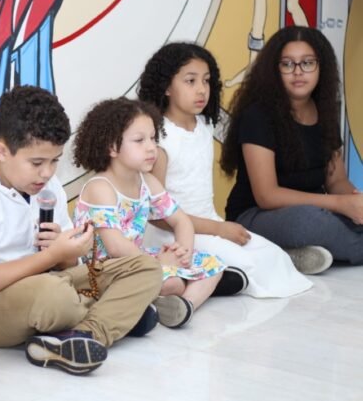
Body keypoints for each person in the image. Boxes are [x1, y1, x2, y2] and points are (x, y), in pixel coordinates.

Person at [0, 85, 162, 375]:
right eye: (37, 162)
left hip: (46, 284)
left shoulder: (49, 187)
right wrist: (51, 257)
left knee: (146, 268)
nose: (48, 173)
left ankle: (82, 336)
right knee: (56, 295)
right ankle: (114, 316)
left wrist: (67, 255)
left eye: (55, 161)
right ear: (1, 151)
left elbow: (72, 265)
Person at [138, 42, 312, 297]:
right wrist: (219, 230)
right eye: (190, 81)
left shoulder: (204, 126)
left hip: (209, 223)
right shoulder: (161, 138)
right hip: (173, 234)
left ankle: (283, 256)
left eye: (206, 81)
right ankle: (190, 277)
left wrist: (219, 227)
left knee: (271, 254)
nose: (202, 89)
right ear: (166, 87)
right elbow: (157, 216)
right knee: (245, 263)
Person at [72, 98, 225, 329]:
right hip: (104, 270)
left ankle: (184, 306)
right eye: (139, 140)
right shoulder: (100, 187)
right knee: (172, 283)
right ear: (112, 147)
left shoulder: (148, 182)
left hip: (139, 261)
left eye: (153, 138)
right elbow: (115, 247)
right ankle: (164, 299)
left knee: (215, 266)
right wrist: (158, 265)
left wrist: (182, 255)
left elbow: (181, 221)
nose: (151, 147)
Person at [220, 26, 363, 272]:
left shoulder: (325, 109)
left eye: (307, 63)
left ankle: (292, 254)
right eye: (287, 64)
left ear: (321, 67)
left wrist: (354, 201)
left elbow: (336, 180)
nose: (298, 72)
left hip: (318, 210)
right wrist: (339, 204)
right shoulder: (258, 115)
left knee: (326, 219)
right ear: (274, 70)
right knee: (307, 222)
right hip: (256, 216)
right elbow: (267, 196)